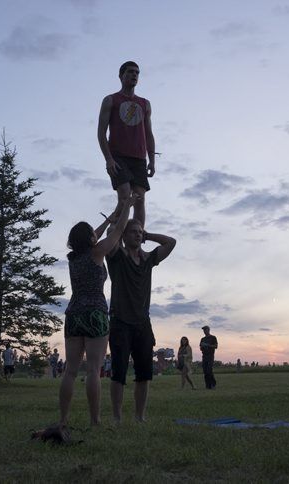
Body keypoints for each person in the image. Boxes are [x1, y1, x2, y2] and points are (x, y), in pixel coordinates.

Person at [59, 195, 136, 426]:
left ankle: (63, 419)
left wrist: (110, 216)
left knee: (70, 371)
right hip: (95, 314)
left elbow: (97, 234)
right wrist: (127, 209)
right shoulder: (97, 253)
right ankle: (95, 420)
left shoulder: (74, 258)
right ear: (90, 239)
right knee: (94, 370)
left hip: (73, 314)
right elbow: (119, 230)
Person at [107, 219, 176, 422]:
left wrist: (148, 235)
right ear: (124, 235)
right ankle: (117, 418)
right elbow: (111, 231)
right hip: (120, 322)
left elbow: (171, 242)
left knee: (144, 374)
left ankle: (140, 417)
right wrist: (120, 225)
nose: (138, 234)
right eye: (134, 232)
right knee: (118, 373)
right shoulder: (117, 256)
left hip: (143, 323)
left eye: (140, 232)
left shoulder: (148, 259)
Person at [98, 61, 156, 228]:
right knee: (124, 196)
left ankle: (136, 244)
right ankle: (114, 237)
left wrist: (152, 159)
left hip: (139, 157)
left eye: (137, 73)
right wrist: (108, 159)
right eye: (130, 72)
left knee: (139, 198)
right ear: (121, 75)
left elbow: (149, 133)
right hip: (118, 156)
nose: (134, 75)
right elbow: (101, 132)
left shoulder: (145, 104)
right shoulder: (110, 100)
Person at [200, 325, 218, 389]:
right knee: (205, 371)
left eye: (205, 330)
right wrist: (202, 346)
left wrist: (207, 345)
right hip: (204, 356)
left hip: (210, 356)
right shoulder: (202, 339)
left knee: (209, 370)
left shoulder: (213, 337)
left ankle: (213, 384)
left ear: (208, 330)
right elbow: (201, 348)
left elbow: (216, 346)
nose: (204, 331)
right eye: (203, 330)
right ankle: (208, 385)